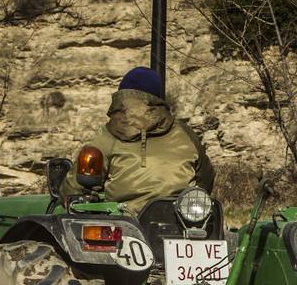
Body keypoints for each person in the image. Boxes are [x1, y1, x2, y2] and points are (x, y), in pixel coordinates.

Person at [79, 66, 214, 209]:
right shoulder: (185, 133)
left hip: (124, 222)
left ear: (121, 97)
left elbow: (76, 185)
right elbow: (205, 179)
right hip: (178, 221)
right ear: (158, 98)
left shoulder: (107, 136)